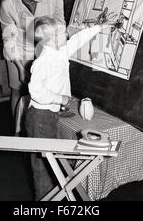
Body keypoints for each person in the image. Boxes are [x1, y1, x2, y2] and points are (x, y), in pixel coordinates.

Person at [25, 15, 113, 200]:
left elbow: (77, 40)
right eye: (63, 32)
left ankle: (54, 195)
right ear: (52, 39)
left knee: (53, 158)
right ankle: (44, 199)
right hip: (39, 117)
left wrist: (99, 27)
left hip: (49, 114)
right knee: (43, 164)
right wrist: (61, 98)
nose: (67, 34)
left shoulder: (60, 52)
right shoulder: (42, 62)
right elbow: (36, 92)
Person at [0, 0, 64, 120]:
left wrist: (57, 50)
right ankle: (18, 131)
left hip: (47, 46)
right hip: (20, 50)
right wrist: (21, 68)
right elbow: (9, 40)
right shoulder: (8, 6)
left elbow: (60, 20)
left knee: (49, 89)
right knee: (18, 90)